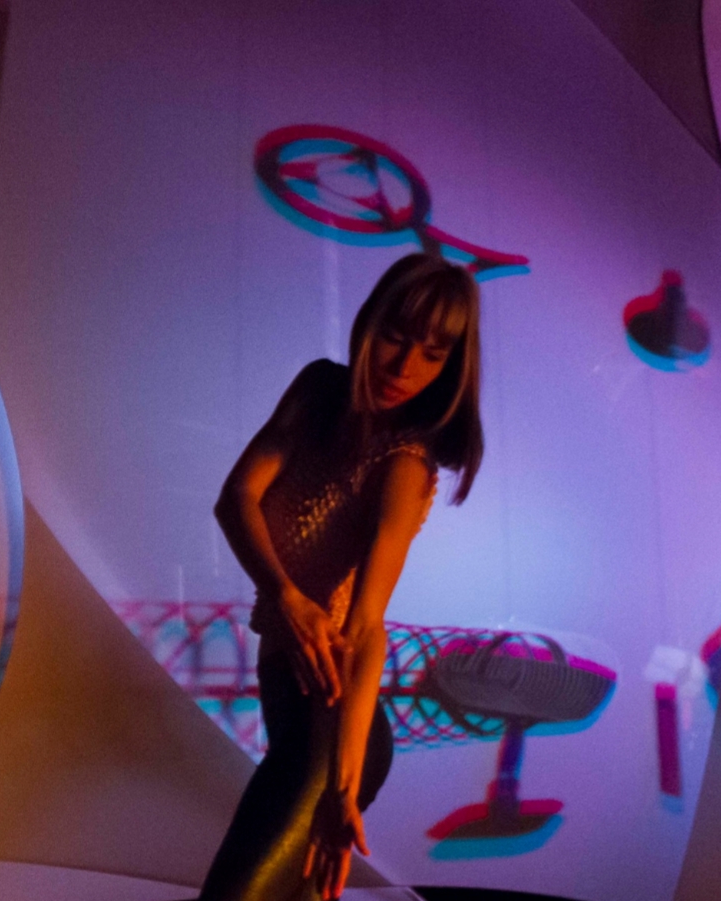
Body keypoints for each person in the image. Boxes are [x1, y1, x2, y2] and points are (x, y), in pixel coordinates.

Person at [200, 253, 483, 901]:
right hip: (291, 698)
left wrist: (342, 788)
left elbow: (366, 629)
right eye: (396, 337)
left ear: (450, 368)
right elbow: (236, 498)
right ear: (368, 323)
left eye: (433, 354)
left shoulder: (405, 465)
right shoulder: (317, 391)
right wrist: (288, 598)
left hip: (335, 729)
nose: (404, 367)